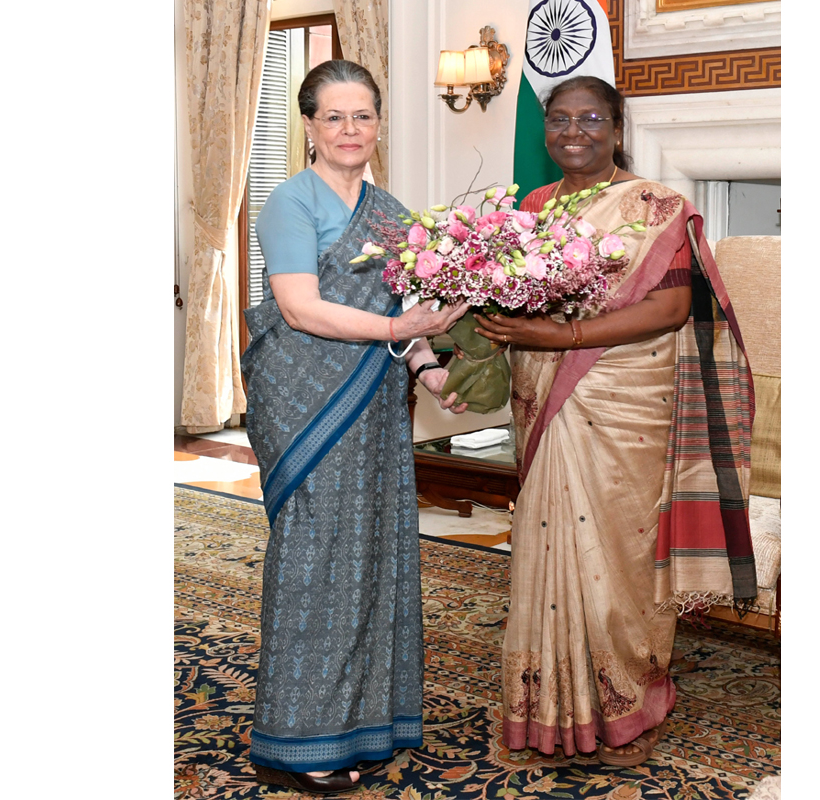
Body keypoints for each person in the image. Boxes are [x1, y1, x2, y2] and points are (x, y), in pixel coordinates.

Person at [474, 76, 758, 767]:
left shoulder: (656, 206)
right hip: (546, 399)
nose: (574, 132)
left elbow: (668, 309)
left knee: (623, 559)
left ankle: (631, 704)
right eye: (561, 119)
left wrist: (559, 340)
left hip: (625, 402)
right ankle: (548, 713)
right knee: (543, 549)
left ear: (617, 129)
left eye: (591, 119)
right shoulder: (533, 208)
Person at [241, 59, 470, 795]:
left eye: (362, 116)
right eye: (334, 116)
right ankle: (300, 741)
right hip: (304, 402)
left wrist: (434, 370)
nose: (349, 130)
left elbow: (410, 329)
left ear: (378, 124)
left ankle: (364, 726)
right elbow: (302, 308)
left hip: (370, 402)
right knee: (315, 561)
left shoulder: (393, 213)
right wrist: (401, 326)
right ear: (308, 124)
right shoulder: (289, 204)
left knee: (373, 553)